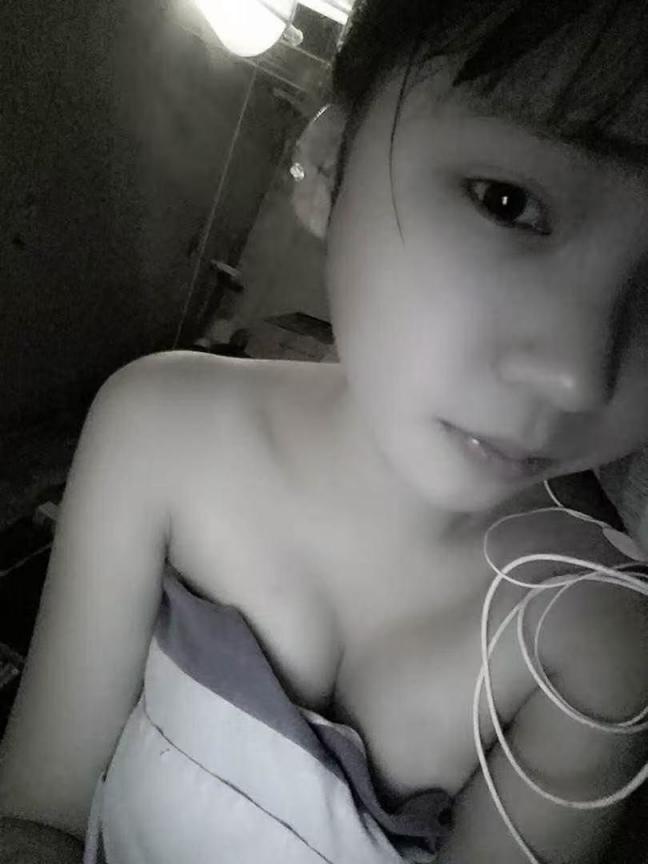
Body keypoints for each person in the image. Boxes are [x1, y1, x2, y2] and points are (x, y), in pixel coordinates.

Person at [2, 1, 648, 861]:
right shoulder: (160, 429)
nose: (579, 373)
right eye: (509, 202)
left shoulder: (601, 639)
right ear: (329, 159)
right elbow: (37, 817)